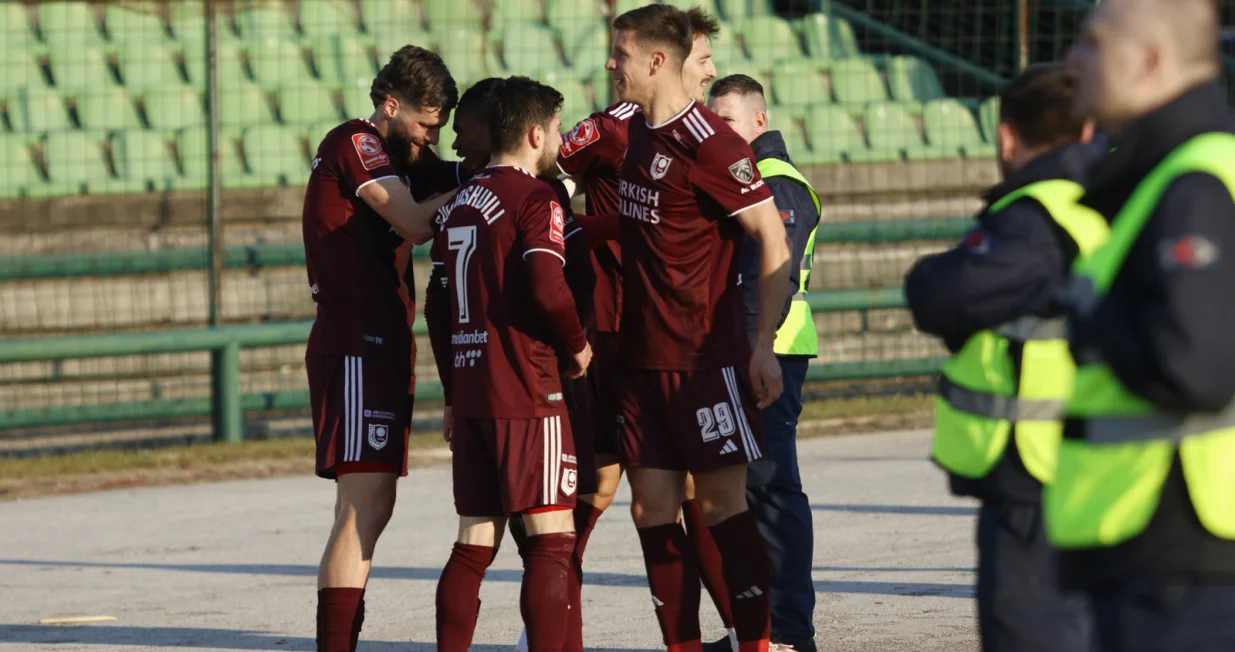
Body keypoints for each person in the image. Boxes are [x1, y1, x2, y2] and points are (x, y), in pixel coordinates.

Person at [1041, 0, 1235, 649]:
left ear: (1150, 61)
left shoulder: (1194, 184)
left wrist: (1090, 313)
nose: (1073, 60)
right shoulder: (1171, 174)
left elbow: (1195, 368)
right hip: (1158, 545)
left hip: (1179, 553)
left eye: (1093, 43)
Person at [904, 63, 1108, 652]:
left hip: (1038, 472)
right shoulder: (1122, 200)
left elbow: (941, 294)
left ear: (1007, 137)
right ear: (1089, 132)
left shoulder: (1038, 217)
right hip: (1103, 461)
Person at [557, 8, 743, 647]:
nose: (712, 70)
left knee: (685, 489)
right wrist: (581, 234)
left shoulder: (700, 138)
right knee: (610, 481)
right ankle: (553, 617)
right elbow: (544, 178)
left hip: (672, 333)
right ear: (670, 61)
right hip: (615, 325)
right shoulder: (614, 129)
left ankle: (744, 632)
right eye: (704, 59)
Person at [607, 5, 792, 651]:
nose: (610, 65)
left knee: (719, 509)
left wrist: (762, 344)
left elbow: (772, 241)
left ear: (656, 61)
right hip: (640, 361)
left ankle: (755, 644)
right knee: (649, 511)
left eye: (619, 55)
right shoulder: (629, 132)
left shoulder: (713, 145)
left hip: (705, 362)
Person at [301, 45, 459, 652]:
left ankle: (341, 638)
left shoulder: (404, 159)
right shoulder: (357, 141)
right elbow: (416, 222)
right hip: (356, 342)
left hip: (383, 340)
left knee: (372, 502)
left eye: (440, 127)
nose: (430, 138)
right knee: (364, 503)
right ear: (390, 105)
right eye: (424, 123)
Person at [430, 76, 593, 652]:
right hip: (528, 391)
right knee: (552, 540)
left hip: (473, 390)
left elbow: (436, 307)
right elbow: (549, 288)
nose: (557, 140)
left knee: (473, 544)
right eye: (553, 130)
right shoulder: (535, 198)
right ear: (533, 133)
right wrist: (576, 345)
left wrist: (452, 391)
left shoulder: (460, 205)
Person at [706, 74, 820, 652]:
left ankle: (790, 633)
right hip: (752, 350)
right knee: (746, 494)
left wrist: (758, 346)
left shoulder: (777, 182)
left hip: (771, 352)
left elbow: (768, 275)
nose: (716, 129)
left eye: (727, 119)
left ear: (759, 120)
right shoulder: (742, 178)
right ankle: (760, 631)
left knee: (773, 493)